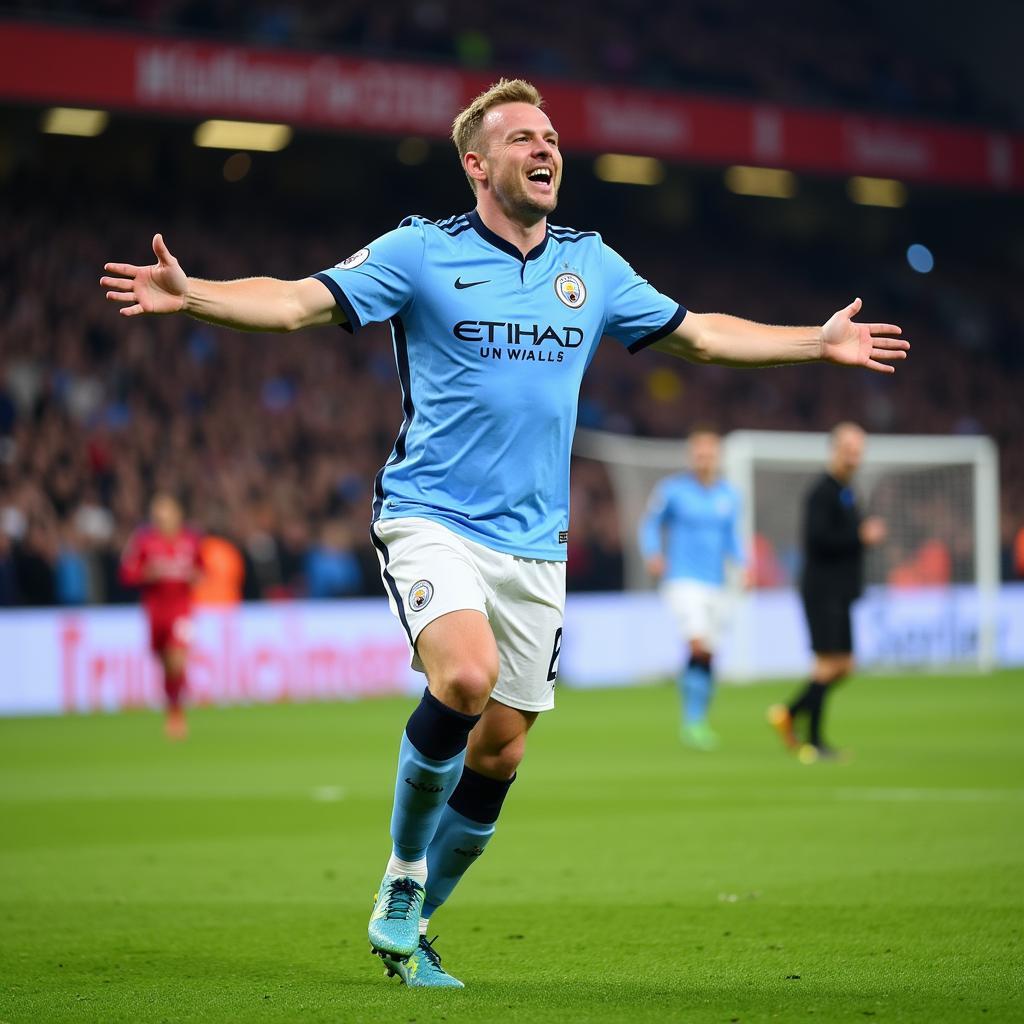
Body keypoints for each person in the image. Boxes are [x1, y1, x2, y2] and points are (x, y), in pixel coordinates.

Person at [99, 79, 908, 987]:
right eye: (522, 136)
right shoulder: (419, 251)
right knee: (466, 676)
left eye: (552, 135)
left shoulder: (592, 267)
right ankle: (404, 874)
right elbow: (296, 302)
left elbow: (700, 335)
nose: (545, 146)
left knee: (504, 746)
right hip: (430, 516)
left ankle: (414, 925)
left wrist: (814, 341)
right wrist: (195, 293)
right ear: (476, 164)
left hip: (536, 546)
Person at [769, 423, 887, 761]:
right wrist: (860, 536)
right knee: (826, 664)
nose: (855, 454)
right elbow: (817, 540)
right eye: (849, 448)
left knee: (845, 665)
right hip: (822, 590)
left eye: (859, 448)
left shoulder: (849, 491)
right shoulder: (822, 491)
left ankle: (790, 714)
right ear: (834, 449)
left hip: (840, 591)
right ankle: (815, 742)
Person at [639, 427, 747, 750]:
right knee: (698, 645)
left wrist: (743, 565)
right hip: (683, 581)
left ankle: (698, 719)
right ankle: (692, 722)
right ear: (691, 456)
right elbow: (649, 523)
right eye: (699, 453)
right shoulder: (672, 491)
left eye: (710, 453)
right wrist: (653, 553)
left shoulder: (729, 496)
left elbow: (731, 537)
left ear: (718, 457)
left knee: (708, 653)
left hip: (717, 583)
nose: (704, 459)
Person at [119, 494, 203, 740]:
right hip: (156, 612)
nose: (162, 519)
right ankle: (173, 702)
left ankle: (176, 714)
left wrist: (195, 576)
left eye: (166, 514)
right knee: (165, 664)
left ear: (178, 515)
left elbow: (201, 570)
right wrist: (145, 574)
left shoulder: (191, 541)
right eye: (158, 516)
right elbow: (126, 574)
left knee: (178, 658)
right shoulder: (143, 542)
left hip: (182, 611)